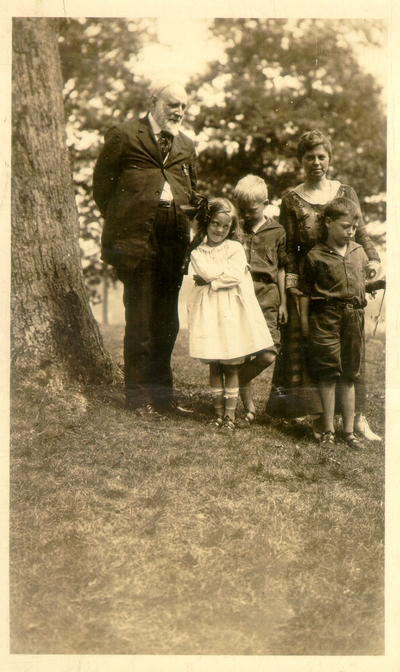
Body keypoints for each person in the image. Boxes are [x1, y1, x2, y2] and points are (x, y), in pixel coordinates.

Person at [266, 130, 382, 441]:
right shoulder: (291, 199)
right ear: (300, 161)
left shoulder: (345, 192)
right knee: (312, 350)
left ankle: (357, 420)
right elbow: (289, 246)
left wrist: (372, 259)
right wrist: (291, 284)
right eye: (309, 157)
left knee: (350, 351)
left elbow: (361, 231)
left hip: (343, 279)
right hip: (310, 281)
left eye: (321, 156)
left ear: (329, 159)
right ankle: (319, 418)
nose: (316, 163)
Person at [93, 81, 197, 419]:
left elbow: (190, 190)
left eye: (184, 106)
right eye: (173, 104)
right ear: (154, 101)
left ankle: (163, 398)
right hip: (137, 239)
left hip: (174, 237)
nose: (179, 111)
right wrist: (127, 218)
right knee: (139, 321)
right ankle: (138, 400)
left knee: (168, 321)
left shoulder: (186, 144)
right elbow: (102, 189)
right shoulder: (124, 135)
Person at [187, 198, 274, 430]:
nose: (219, 230)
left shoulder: (235, 248)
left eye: (225, 226)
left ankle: (230, 415)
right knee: (215, 363)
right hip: (209, 312)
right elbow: (204, 270)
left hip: (232, 312)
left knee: (232, 364)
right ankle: (217, 412)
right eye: (215, 224)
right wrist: (219, 275)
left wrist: (212, 281)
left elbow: (234, 275)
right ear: (206, 223)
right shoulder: (197, 251)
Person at [299, 198, 370, 449]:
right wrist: (305, 324)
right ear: (328, 223)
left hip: (352, 320)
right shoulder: (314, 255)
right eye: (345, 226)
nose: (351, 231)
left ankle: (348, 431)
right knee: (328, 374)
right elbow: (306, 293)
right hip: (325, 319)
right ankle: (328, 430)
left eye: (354, 226)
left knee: (349, 375)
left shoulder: (359, 252)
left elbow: (362, 283)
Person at [233, 175, 288, 424]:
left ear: (265, 203)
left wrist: (284, 303)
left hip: (268, 295)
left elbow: (281, 270)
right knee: (242, 350)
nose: (246, 214)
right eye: (242, 210)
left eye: (252, 209)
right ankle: (248, 408)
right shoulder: (235, 229)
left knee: (269, 352)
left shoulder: (277, 231)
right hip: (240, 293)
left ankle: (235, 380)